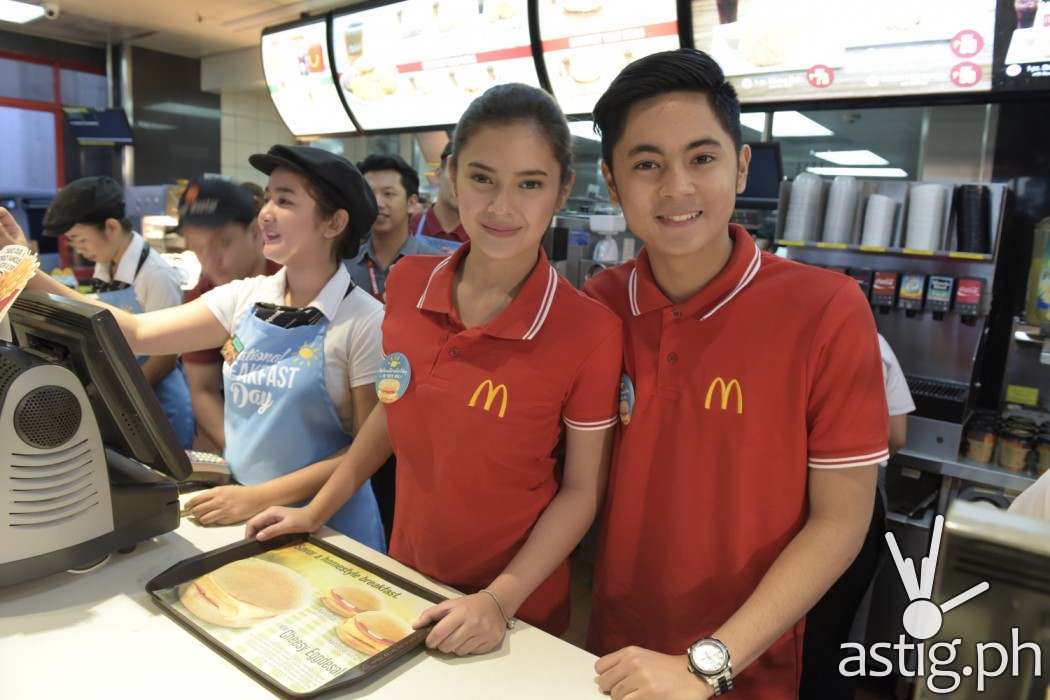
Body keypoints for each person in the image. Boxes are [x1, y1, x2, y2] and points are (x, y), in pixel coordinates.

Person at [246, 83, 623, 657]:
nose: (501, 206)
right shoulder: (408, 282)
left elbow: (579, 492)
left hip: (516, 611)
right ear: (450, 175)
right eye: (481, 178)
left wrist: (499, 601)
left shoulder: (588, 330)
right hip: (405, 582)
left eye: (530, 183)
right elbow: (394, 410)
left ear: (562, 189)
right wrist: (315, 512)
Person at [583, 49, 889, 699]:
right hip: (611, 655)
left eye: (702, 158)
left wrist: (706, 664)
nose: (677, 189)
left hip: (746, 667)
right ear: (612, 182)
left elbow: (841, 522)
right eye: (647, 165)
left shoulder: (827, 309)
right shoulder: (597, 306)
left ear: (741, 164)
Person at [0, 146, 386, 550]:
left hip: (333, 527)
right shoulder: (243, 298)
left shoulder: (363, 320)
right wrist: (26, 268)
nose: (267, 212)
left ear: (334, 223)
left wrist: (260, 496)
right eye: (268, 197)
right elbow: (134, 331)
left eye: (285, 200)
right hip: (247, 511)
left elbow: (365, 450)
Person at [800, 332, 915, 699]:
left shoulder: (778, 335)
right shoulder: (873, 341)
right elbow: (897, 434)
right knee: (830, 642)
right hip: (859, 501)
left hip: (788, 503)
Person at [44, 176, 195, 449]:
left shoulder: (155, 274)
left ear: (110, 227)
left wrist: (122, 398)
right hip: (125, 397)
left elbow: (165, 360)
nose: (79, 250)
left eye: (81, 240)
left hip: (159, 402)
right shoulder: (105, 264)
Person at [179, 178, 281, 452]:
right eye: (198, 247)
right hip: (236, 434)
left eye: (222, 242)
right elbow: (203, 390)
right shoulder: (202, 296)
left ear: (255, 231)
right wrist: (242, 454)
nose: (211, 259)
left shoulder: (292, 277)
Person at [347, 154, 440, 301]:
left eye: (388, 194)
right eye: (369, 194)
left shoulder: (436, 265)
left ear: (411, 203)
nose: (377, 203)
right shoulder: (345, 266)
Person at [407, 141, 467, 242]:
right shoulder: (410, 227)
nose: (460, 185)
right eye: (455, 173)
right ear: (438, 175)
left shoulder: (480, 236)